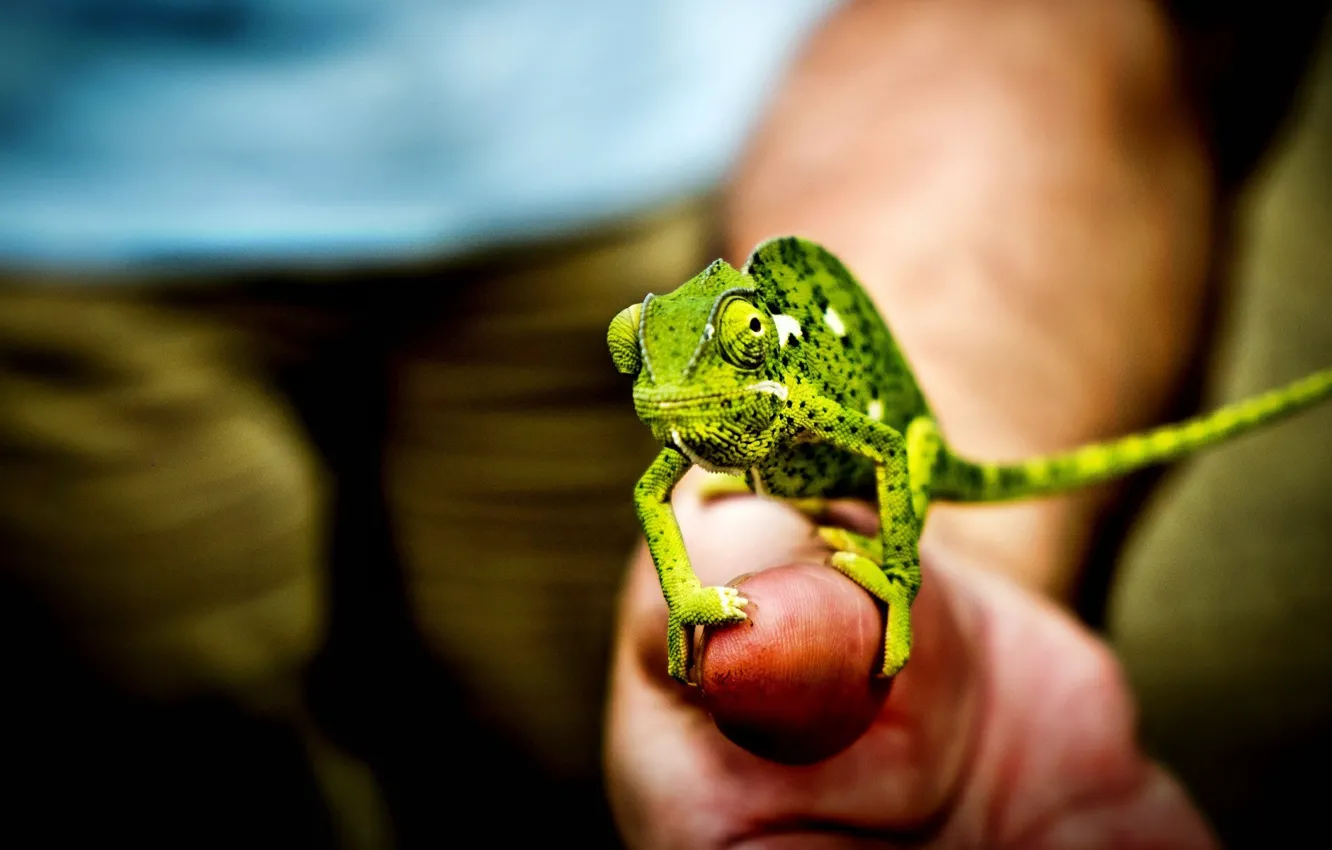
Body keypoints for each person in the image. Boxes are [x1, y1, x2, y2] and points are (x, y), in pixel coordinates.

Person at [0, 1, 1328, 848]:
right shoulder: (698, 407)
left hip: (651, 167)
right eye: (644, 357)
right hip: (52, 227)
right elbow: (658, 491)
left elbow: (899, 450)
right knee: (169, 744)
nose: (666, 390)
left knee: (569, 731)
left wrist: (918, 580)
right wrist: (694, 579)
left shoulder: (786, 385)